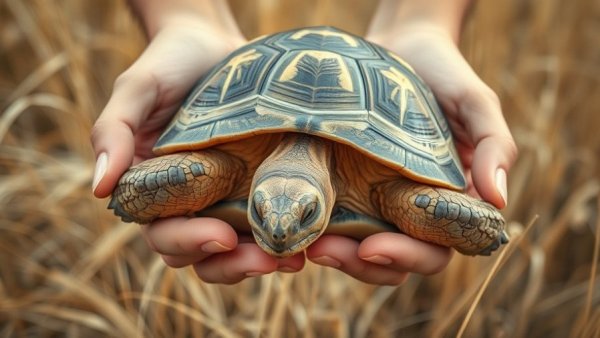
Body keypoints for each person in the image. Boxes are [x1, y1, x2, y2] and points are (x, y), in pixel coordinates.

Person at [91, 0, 517, 285]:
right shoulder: (220, 168)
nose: (278, 230)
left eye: (304, 214)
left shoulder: (390, 188)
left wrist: (424, 24)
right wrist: (183, 19)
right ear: (254, 197)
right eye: (262, 211)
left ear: (320, 199)